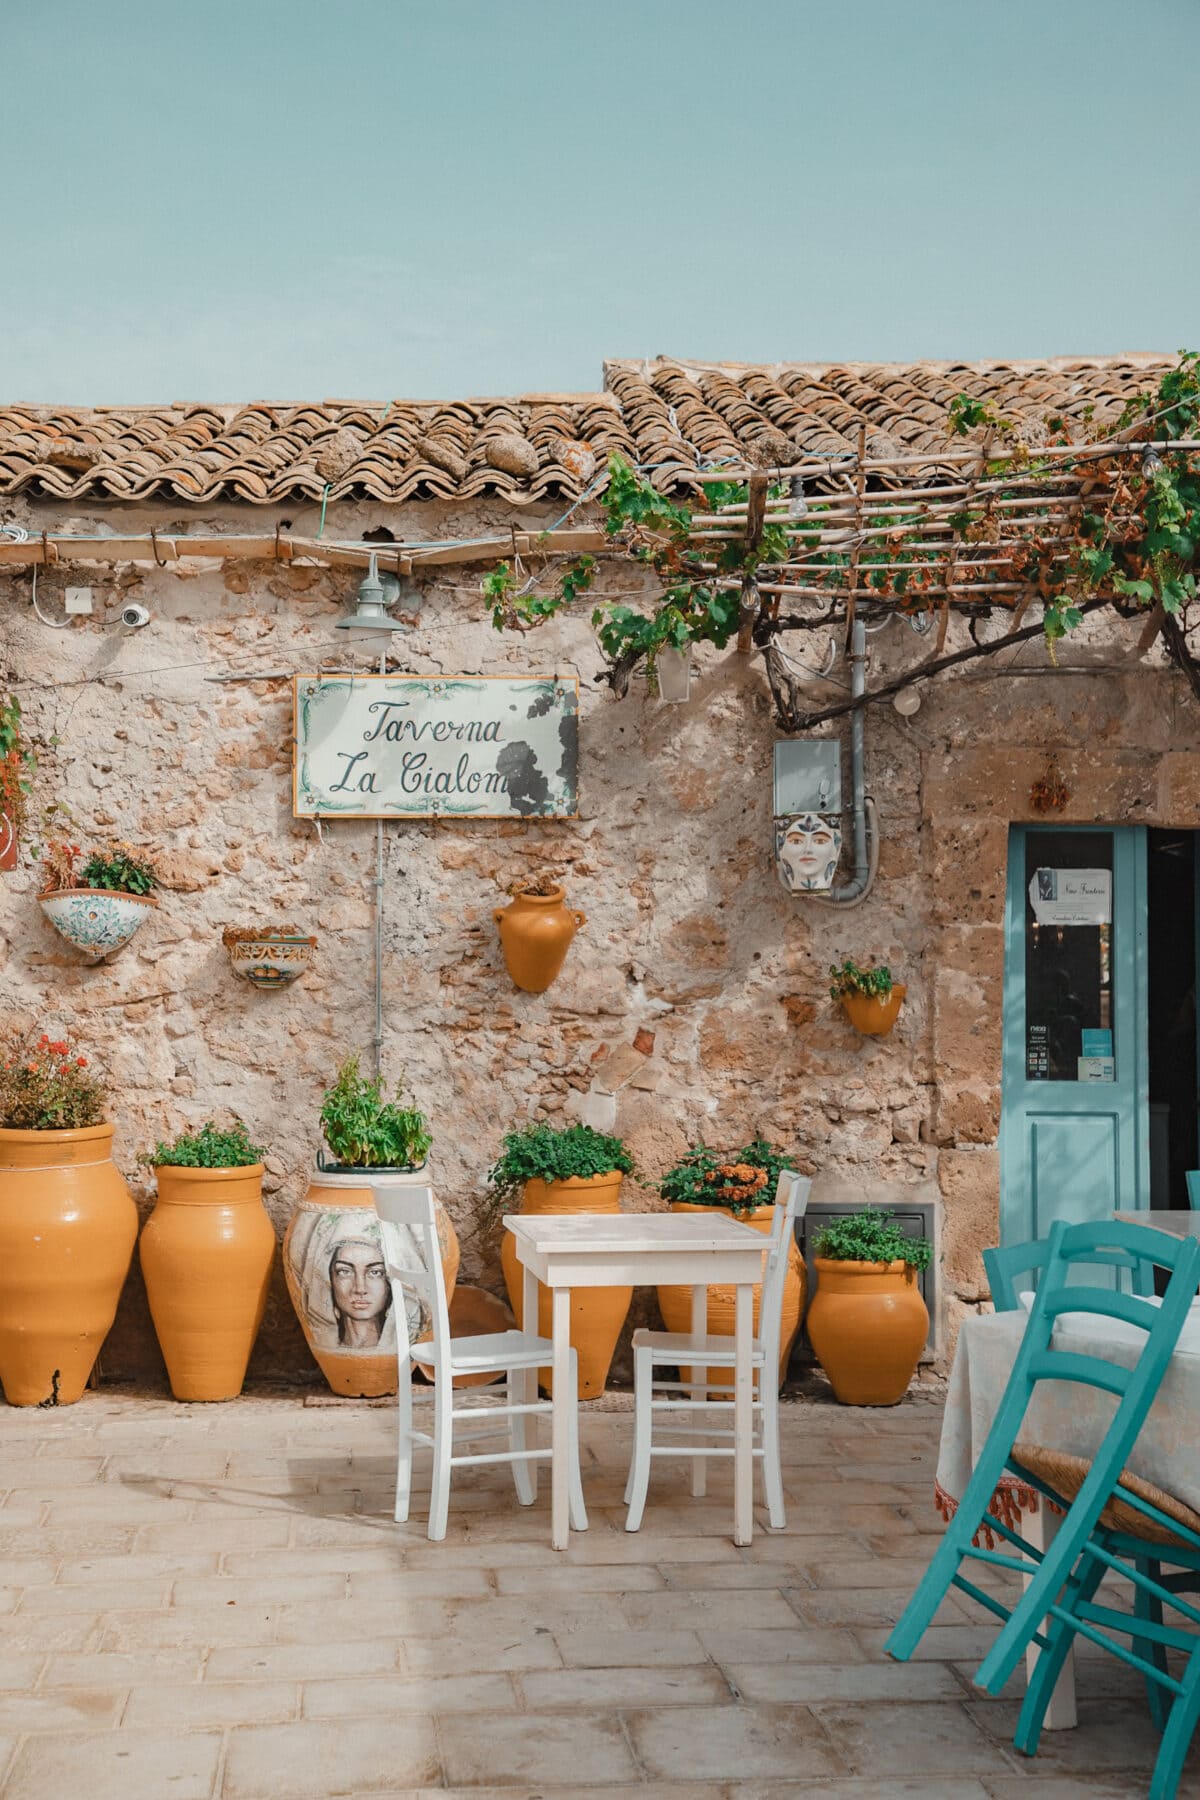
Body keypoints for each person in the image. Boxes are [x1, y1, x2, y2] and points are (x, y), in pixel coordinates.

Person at [328, 1237, 393, 1348]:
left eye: (375, 1272)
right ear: (330, 1281)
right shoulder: (328, 1353)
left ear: (388, 1284)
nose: (360, 1289)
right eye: (345, 1271)